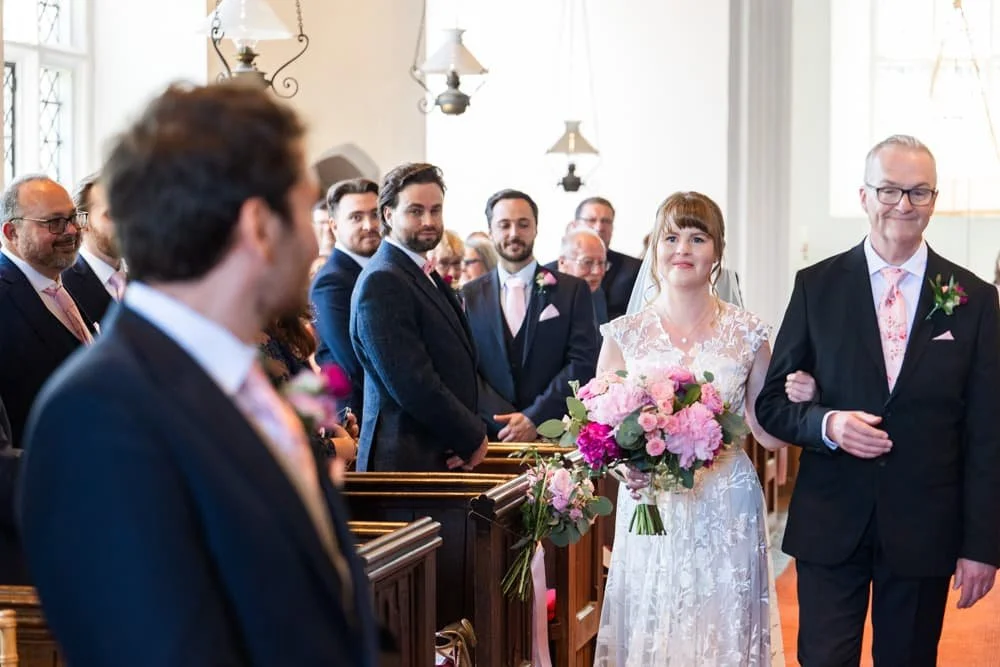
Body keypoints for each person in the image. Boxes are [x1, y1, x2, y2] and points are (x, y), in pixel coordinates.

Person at [18, 82, 378, 666]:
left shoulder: (239, 377)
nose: (317, 239)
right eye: (307, 211)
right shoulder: (100, 415)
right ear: (259, 225)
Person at [756, 134, 1000, 667]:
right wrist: (828, 423)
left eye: (918, 192)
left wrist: (983, 544)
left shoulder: (974, 298)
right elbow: (772, 404)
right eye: (889, 190)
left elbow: (987, 432)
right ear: (864, 196)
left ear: (935, 201)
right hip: (832, 518)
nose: (903, 206)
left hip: (925, 525)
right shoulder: (816, 286)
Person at [595, 191, 789, 666]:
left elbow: (768, 431)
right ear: (655, 251)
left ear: (717, 252)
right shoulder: (626, 333)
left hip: (727, 501)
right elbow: (601, 432)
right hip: (652, 505)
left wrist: (802, 396)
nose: (682, 248)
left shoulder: (748, 333)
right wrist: (627, 471)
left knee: (723, 624)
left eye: (697, 237)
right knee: (654, 619)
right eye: (671, 236)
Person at [350, 162, 488, 472]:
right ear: (388, 214)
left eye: (436, 210)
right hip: (406, 461)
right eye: (415, 211)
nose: (429, 221)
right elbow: (412, 380)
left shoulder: (416, 271)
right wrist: (471, 435)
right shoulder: (383, 280)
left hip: (435, 452)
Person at [462, 189, 597, 442]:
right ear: (490, 231)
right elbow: (463, 368)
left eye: (523, 224)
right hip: (491, 437)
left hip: (555, 435)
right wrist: (505, 421)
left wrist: (535, 418)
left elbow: (582, 361)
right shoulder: (467, 296)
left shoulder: (572, 290)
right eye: (504, 225)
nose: (514, 233)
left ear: (536, 228)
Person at [0, 175, 95, 448]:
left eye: (73, 218)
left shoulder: (59, 285)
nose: (71, 231)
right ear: (11, 233)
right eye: (54, 223)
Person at [311, 177, 381, 421]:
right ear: (334, 225)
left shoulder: (382, 271)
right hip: (358, 418)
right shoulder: (331, 282)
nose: (369, 225)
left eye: (375, 214)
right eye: (356, 217)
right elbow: (353, 363)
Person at [63, 172, 127, 322]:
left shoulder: (147, 279)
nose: (125, 223)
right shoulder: (64, 285)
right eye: (111, 214)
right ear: (81, 222)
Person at [575, 196, 642, 320]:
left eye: (606, 221)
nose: (599, 227)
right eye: (591, 220)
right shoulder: (552, 271)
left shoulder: (635, 269)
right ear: (576, 224)